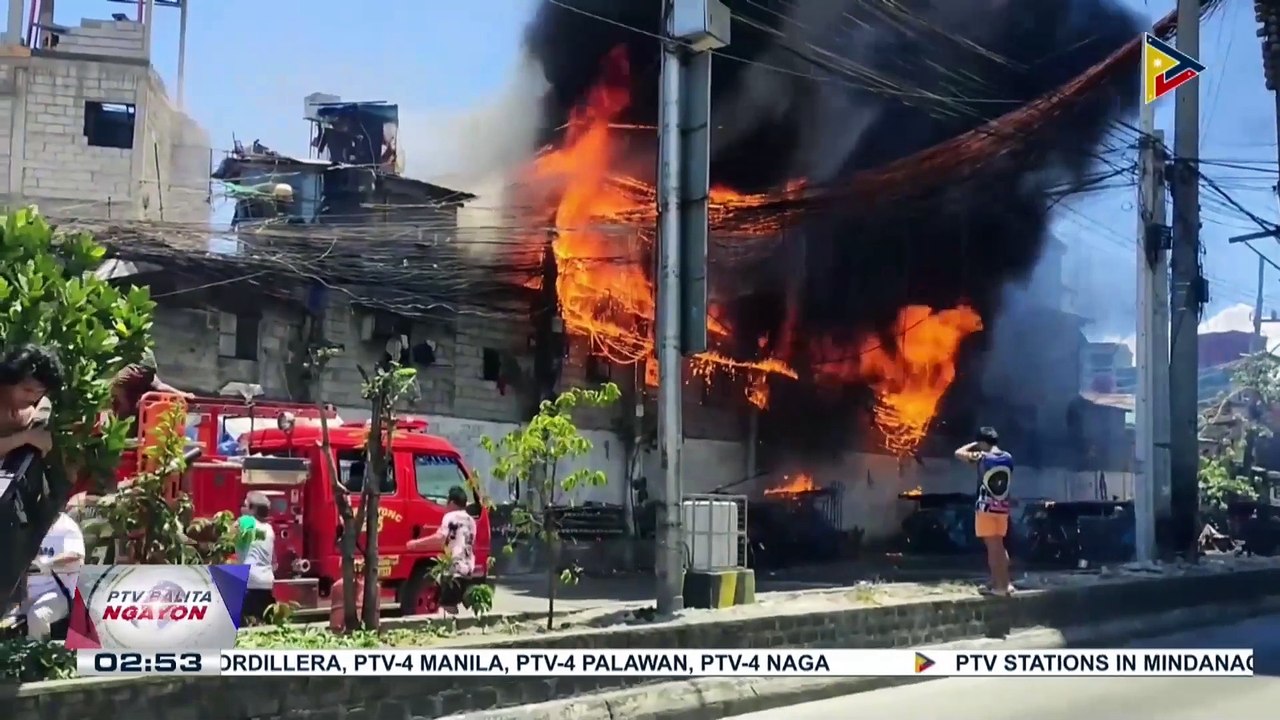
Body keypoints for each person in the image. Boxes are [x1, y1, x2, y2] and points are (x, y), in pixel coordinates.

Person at [955, 427, 1014, 596]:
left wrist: (974, 443)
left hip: (986, 508)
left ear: (982, 442)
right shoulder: (1008, 457)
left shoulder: (982, 457)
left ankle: (999, 588)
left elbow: (958, 453)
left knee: (992, 547)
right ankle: (1003, 582)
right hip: (1002, 508)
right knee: (1000, 545)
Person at [406, 486, 476, 614]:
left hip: (453, 571)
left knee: (445, 607)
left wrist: (415, 544)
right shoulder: (471, 521)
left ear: (452, 503)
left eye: (447, 501)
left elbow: (440, 538)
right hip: (468, 570)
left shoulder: (450, 516)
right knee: (452, 607)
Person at [23, 511, 85, 639]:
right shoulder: (29, 525)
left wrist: (47, 563)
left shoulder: (67, 526)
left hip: (59, 593)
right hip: (25, 595)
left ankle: (40, 656)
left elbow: (75, 555)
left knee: (37, 615)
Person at [0, 343, 63, 459]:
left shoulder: (34, 404)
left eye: (40, 391)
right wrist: (25, 437)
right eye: (27, 390)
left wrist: (39, 422)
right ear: (8, 382)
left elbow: (44, 402)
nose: (32, 397)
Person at [110, 348, 192, 420]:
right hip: (143, 369)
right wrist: (181, 394)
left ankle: (123, 419)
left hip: (138, 369)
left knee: (122, 400)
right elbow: (158, 385)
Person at [236, 491, 276, 622]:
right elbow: (275, 562)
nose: (242, 508)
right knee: (261, 624)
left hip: (249, 582)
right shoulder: (269, 529)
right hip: (266, 584)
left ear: (252, 509)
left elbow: (226, 532)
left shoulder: (247, 521)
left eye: (245, 505)